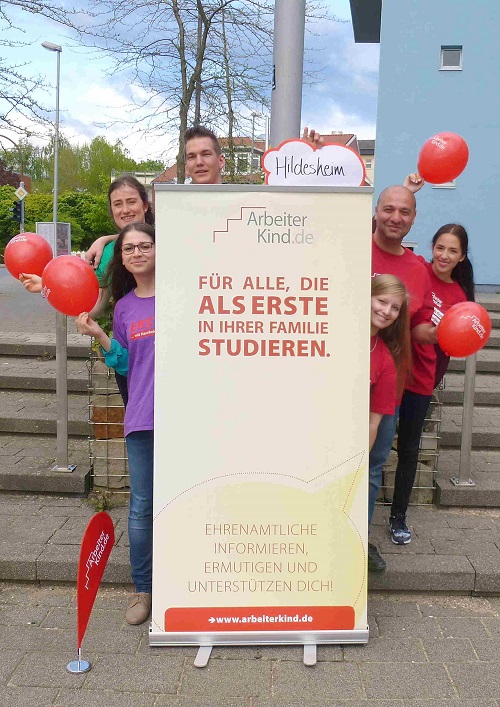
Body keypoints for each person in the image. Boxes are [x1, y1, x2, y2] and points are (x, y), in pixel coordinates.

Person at [76, 222, 156, 625]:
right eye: (129, 248)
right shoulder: (123, 308)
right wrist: (98, 334)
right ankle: (144, 590)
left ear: (158, 250)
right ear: (121, 258)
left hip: (189, 419)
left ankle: (188, 583)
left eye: (145, 246)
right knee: (141, 507)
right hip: (143, 417)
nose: (137, 253)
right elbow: (124, 363)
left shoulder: (183, 296)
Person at [389, 222, 475, 545]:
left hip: (421, 381)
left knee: (409, 449)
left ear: (462, 257)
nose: (444, 254)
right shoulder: (418, 270)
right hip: (390, 372)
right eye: (440, 247)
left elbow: (455, 345)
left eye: (452, 250)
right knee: (376, 444)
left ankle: (399, 516)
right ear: (432, 248)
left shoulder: (460, 296)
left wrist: (434, 375)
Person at [369, 183, 435, 566]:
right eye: (389, 209)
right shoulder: (348, 245)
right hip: (335, 381)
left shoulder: (418, 269)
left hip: (388, 388)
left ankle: (357, 538)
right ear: (376, 211)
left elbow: (418, 328)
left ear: (413, 219)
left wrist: (446, 331)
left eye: (405, 212)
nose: (396, 217)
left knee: (374, 466)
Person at [368, 274, 411, 571]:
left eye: (394, 308)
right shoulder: (329, 333)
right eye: (381, 301)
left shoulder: (384, 360)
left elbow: (374, 421)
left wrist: (357, 462)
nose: (386, 311)